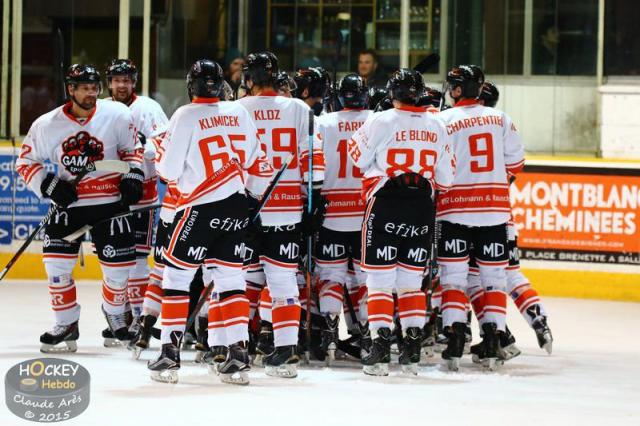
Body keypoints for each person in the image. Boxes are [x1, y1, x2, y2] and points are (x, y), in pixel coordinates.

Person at [147, 59, 273, 385]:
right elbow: (255, 161)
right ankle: (238, 354)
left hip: (199, 209)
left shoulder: (185, 115)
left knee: (175, 276)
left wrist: (160, 156)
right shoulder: (238, 112)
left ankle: (169, 353)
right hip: (235, 207)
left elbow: (169, 172)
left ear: (191, 86)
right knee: (231, 280)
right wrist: (252, 199)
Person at [15, 64, 144, 352]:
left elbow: (132, 151)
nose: (91, 93)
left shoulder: (118, 115)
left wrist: (134, 174)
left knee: (118, 271)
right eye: (84, 87)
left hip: (110, 204)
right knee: (56, 266)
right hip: (69, 206)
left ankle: (114, 315)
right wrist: (47, 185)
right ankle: (66, 322)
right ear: (70, 90)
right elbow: (25, 162)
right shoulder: (46, 124)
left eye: (94, 87)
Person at [348, 69, 456, 376]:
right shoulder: (437, 123)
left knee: (380, 283)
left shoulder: (381, 119)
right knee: (411, 284)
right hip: (421, 207)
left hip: (387, 205)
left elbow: (357, 158)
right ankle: (411, 352)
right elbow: (447, 177)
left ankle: (380, 351)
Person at [238, 51, 325, 378]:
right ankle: (286, 349)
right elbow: (313, 161)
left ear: (248, 79)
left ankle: (233, 345)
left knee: (242, 279)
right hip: (286, 211)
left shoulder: (237, 109)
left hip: (247, 210)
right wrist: (313, 204)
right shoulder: (299, 109)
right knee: (283, 280)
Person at [436, 65, 525, 371]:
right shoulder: (501, 119)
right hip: (494, 212)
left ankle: (455, 335)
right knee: (494, 280)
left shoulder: (443, 120)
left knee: (454, 279)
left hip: (454, 211)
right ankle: (492, 338)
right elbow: (517, 162)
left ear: (458, 89)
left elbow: (434, 164)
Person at [104, 58, 169, 346]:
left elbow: (165, 139)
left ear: (134, 81)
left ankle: (140, 318)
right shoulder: (102, 109)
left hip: (142, 193)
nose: (122, 85)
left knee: (139, 259)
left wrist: (151, 151)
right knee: (113, 259)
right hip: (109, 193)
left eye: (126, 80)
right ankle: (119, 315)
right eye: (117, 80)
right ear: (109, 82)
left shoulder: (149, 108)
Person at [313, 73, 372, 362]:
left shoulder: (323, 123)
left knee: (331, 277)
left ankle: (328, 334)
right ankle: (369, 336)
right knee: (365, 278)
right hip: (366, 214)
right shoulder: (378, 120)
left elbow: (314, 167)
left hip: (332, 214)